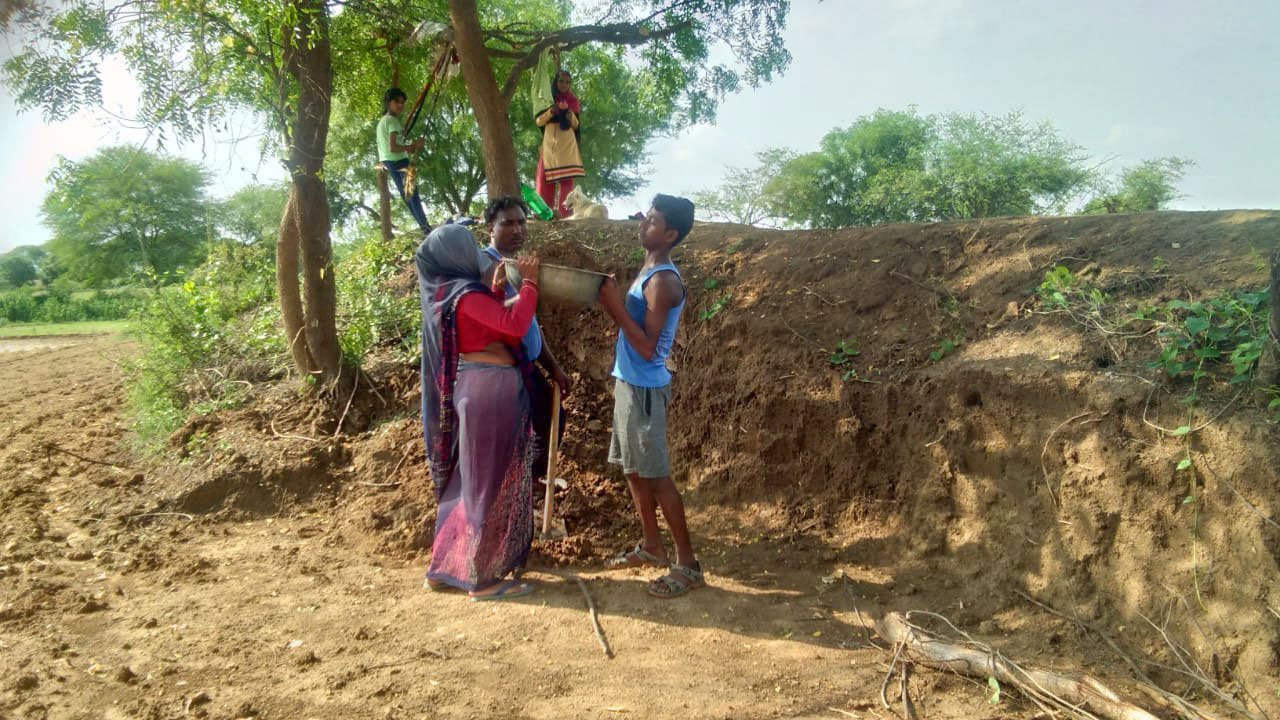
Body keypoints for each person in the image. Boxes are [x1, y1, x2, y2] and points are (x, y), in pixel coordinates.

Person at [416, 224, 541, 600]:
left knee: (468, 482)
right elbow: (514, 326)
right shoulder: (466, 295)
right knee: (485, 483)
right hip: (489, 391)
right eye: (467, 246)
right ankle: (483, 579)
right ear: (456, 254)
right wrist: (531, 283)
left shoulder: (450, 294)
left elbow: (487, 323)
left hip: (476, 390)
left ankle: (445, 567)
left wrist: (499, 290)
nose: (473, 252)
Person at [597, 194, 704, 599]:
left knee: (657, 476)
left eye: (654, 220)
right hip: (629, 382)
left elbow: (646, 347)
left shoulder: (663, 281)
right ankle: (652, 546)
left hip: (644, 388)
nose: (644, 223)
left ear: (671, 234)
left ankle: (688, 565)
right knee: (633, 470)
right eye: (647, 216)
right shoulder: (649, 267)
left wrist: (612, 306)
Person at [479, 196, 573, 487]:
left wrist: (553, 367)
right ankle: (519, 490)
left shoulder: (518, 266)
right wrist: (529, 287)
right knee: (523, 432)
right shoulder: (485, 264)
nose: (518, 229)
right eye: (508, 223)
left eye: (522, 222)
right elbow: (488, 317)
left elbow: (529, 323)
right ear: (489, 230)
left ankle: (528, 484)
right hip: (505, 370)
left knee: (550, 420)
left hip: (527, 364)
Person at [377, 87, 432, 235]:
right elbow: (393, 147)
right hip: (399, 162)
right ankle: (426, 228)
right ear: (388, 103)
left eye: (402, 102)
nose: (400, 105)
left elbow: (392, 148)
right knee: (413, 195)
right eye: (397, 101)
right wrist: (414, 146)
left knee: (408, 196)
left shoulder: (383, 121)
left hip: (390, 163)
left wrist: (411, 147)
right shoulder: (392, 121)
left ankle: (424, 228)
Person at [534, 70, 585, 220]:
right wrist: (551, 111)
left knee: (567, 180)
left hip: (567, 145)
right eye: (561, 81)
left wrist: (569, 114)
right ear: (556, 82)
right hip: (550, 145)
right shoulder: (547, 99)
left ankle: (565, 215)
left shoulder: (573, 101)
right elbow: (539, 121)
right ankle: (543, 214)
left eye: (567, 82)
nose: (564, 85)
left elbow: (576, 125)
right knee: (544, 178)